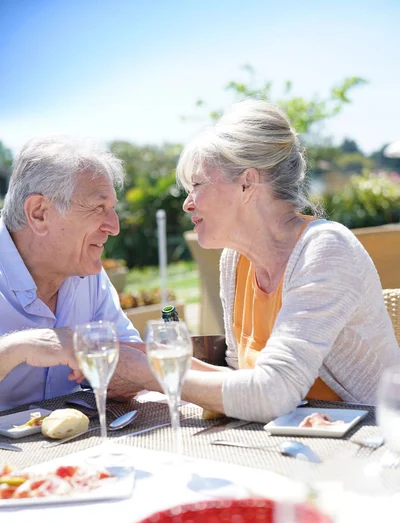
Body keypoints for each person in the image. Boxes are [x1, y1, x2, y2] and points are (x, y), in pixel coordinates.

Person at [171, 99, 399, 423]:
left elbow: (271, 393)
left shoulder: (326, 250)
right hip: (290, 446)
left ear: (247, 183)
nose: (187, 204)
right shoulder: (233, 263)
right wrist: (152, 360)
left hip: (372, 444)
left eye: (196, 185)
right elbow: (241, 380)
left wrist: (151, 373)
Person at [0, 135, 150, 410]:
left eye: (112, 209)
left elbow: (130, 365)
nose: (114, 226)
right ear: (39, 213)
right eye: (98, 207)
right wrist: (15, 349)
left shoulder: (86, 272)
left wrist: (124, 376)